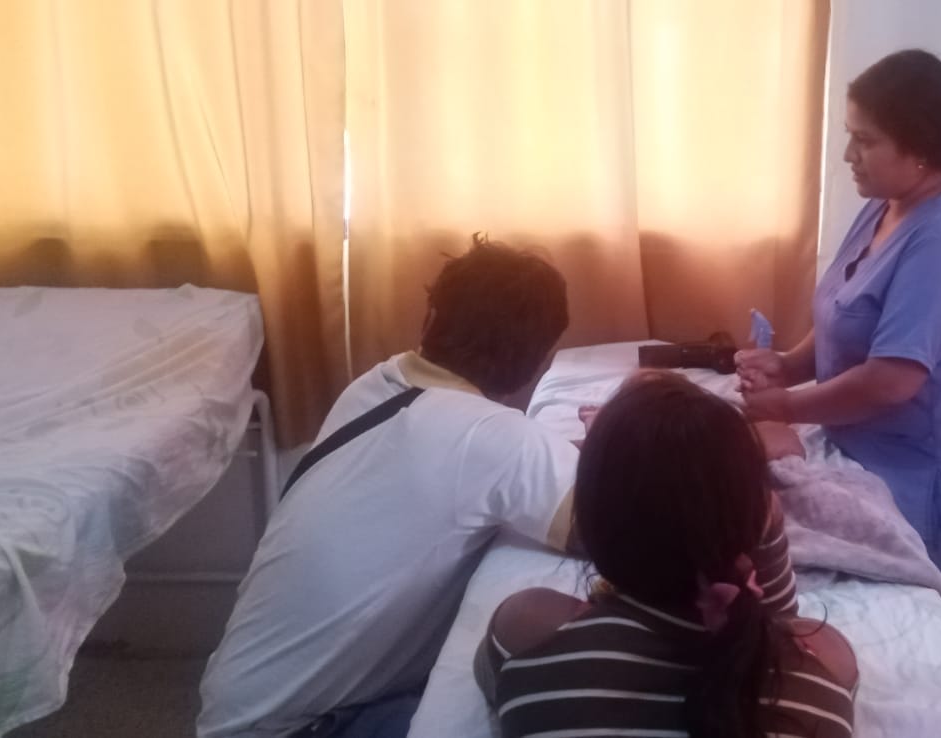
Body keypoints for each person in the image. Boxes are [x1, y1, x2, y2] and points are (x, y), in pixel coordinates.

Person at [198, 237, 582, 738]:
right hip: (305, 728)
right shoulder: (491, 437)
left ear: (430, 319)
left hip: (231, 711)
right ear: (539, 363)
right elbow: (619, 524)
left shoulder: (375, 386)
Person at [737, 49, 941, 628]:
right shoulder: (889, 204)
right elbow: (845, 312)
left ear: (919, 147)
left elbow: (891, 380)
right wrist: (787, 365)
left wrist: (784, 406)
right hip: (855, 447)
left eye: (864, 140)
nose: (847, 155)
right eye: (849, 136)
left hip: (918, 477)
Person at [478, 372, 857, 738]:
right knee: (825, 646)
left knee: (529, 614)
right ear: (751, 527)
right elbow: (776, 622)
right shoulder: (820, 692)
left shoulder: (527, 648)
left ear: (589, 527)